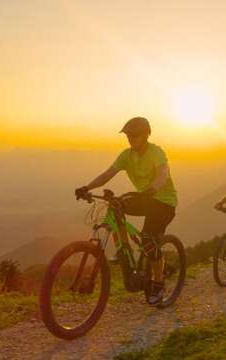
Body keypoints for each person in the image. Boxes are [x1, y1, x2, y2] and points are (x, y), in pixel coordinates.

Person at [75, 117, 177, 305]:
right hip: (145, 199)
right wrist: (87, 187)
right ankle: (124, 251)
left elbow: (163, 175)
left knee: (148, 239)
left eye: (134, 135)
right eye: (128, 135)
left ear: (146, 134)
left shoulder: (156, 152)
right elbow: (107, 174)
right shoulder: (126, 155)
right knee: (116, 206)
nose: (130, 138)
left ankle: (159, 283)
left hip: (164, 202)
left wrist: (151, 190)